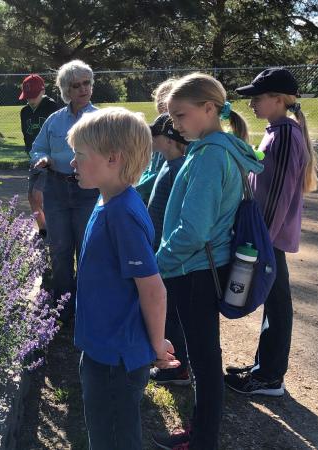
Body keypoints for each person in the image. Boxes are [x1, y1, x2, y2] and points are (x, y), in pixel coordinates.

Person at [152, 73, 263, 450]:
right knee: (204, 358)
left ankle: (202, 441)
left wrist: (159, 262)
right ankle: (202, 436)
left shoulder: (211, 156)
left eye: (180, 116)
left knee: (203, 361)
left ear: (209, 108)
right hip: (199, 268)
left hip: (194, 270)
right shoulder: (216, 149)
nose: (176, 125)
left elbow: (194, 230)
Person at [68, 107, 179, 450]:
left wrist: (157, 343)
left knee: (113, 436)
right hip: (101, 346)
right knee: (103, 431)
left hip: (116, 356)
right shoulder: (108, 201)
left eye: (80, 155)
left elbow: (153, 289)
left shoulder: (122, 213)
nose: (73, 163)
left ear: (113, 158)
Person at [225, 67, 318, 396]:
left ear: (278, 99)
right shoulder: (276, 131)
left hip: (268, 238)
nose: (252, 103)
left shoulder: (284, 135)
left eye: (257, 97)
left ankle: (269, 376)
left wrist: (260, 241)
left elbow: (279, 192)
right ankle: (264, 367)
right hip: (267, 236)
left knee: (278, 303)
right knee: (274, 301)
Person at [30, 60, 100, 320]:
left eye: (87, 83)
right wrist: (42, 158)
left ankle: (86, 307)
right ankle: (62, 308)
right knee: (59, 248)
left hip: (88, 191)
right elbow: (37, 147)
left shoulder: (100, 120)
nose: (83, 89)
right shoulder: (54, 120)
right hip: (56, 189)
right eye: (76, 85)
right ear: (66, 90)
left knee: (87, 248)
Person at [145, 113, 191, 387]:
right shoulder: (168, 163)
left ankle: (178, 367)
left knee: (171, 312)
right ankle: (171, 362)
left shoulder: (178, 168)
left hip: (168, 255)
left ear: (169, 139)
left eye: (155, 133)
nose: (152, 138)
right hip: (158, 250)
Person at [20, 74, 59, 237]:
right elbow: (26, 136)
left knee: (38, 194)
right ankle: (44, 229)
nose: (30, 100)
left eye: (33, 96)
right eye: (27, 97)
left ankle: (53, 227)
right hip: (34, 158)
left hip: (48, 159)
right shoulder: (24, 112)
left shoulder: (52, 107)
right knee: (31, 197)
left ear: (43, 90)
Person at [136, 78, 178, 203]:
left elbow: (165, 172)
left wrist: (139, 188)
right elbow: (150, 167)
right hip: (148, 194)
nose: (162, 105)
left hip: (163, 194)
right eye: (159, 101)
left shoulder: (177, 137)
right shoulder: (158, 130)